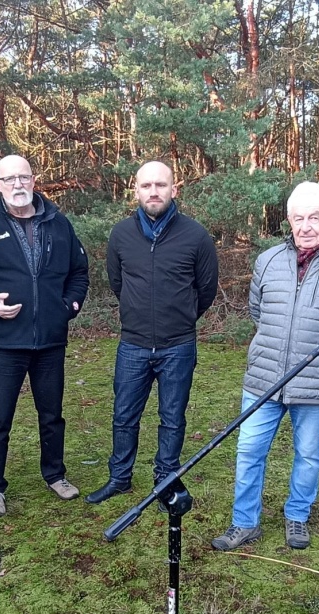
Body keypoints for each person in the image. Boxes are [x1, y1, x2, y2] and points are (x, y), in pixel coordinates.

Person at [212, 181, 319, 552]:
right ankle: (244, 522)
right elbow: (258, 311)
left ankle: (297, 517)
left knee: (308, 455)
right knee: (249, 451)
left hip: (316, 384)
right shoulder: (267, 261)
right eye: (298, 218)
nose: (306, 227)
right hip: (264, 378)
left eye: (314, 218)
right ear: (289, 220)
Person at [0, 155, 89, 517]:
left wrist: (69, 306)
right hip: (3, 342)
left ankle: (55, 474)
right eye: (8, 178)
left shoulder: (59, 224)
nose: (17, 184)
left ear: (34, 180)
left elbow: (79, 272)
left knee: (52, 414)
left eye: (23, 176)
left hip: (50, 341)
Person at [84, 161, 218, 504]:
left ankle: (165, 481)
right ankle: (120, 478)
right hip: (133, 344)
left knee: (172, 418)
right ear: (137, 191)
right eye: (146, 186)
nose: (154, 191)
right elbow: (118, 283)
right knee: (124, 415)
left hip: (178, 346)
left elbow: (206, 290)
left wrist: (182, 318)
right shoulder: (121, 235)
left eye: (161, 185)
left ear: (175, 189)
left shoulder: (196, 236)